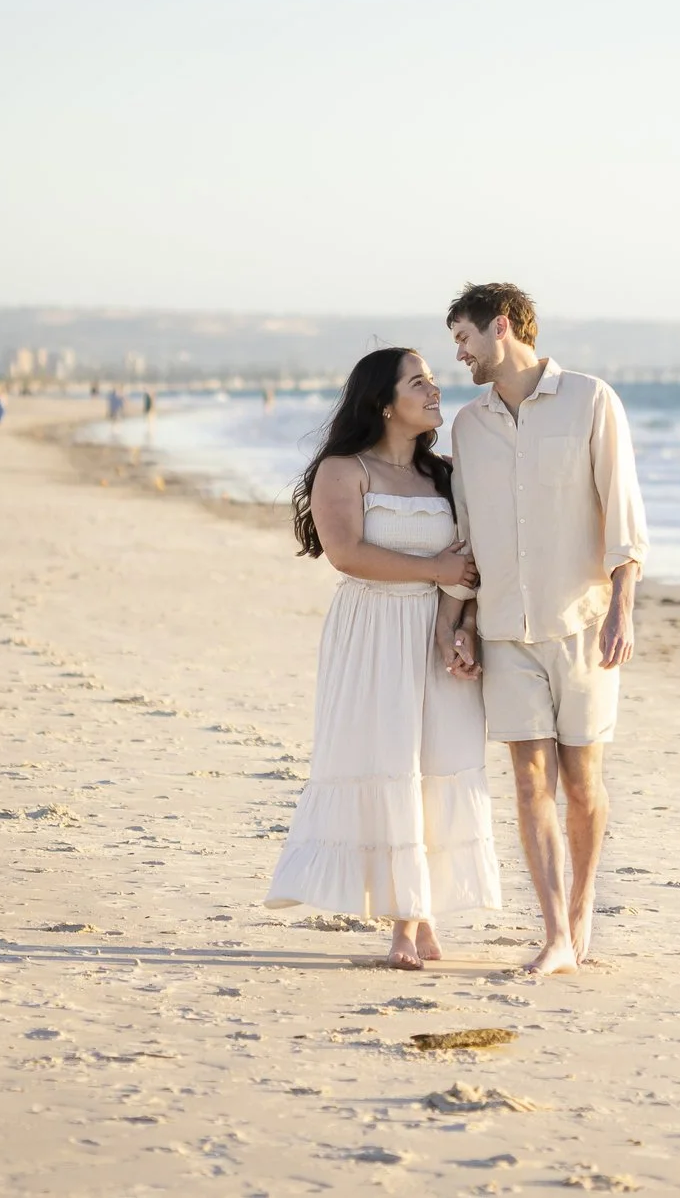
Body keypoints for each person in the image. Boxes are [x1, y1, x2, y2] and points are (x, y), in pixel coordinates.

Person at [265, 348, 503, 968]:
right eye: (418, 381)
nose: (434, 389)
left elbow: (474, 563)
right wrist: (434, 568)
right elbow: (346, 554)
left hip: (438, 628)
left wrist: (464, 629)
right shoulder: (344, 471)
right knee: (390, 763)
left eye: (432, 378)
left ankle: (420, 916)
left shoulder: (447, 474)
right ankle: (403, 925)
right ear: (383, 400)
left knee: (437, 767)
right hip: (372, 631)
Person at [443, 282, 647, 977]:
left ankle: (581, 905)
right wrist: (463, 624)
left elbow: (622, 509)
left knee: (582, 781)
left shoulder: (592, 400)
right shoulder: (468, 427)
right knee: (530, 780)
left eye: (464, 337)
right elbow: (468, 535)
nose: (460, 353)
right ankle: (556, 931)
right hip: (504, 627)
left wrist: (623, 603)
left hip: (583, 623)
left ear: (502, 327)